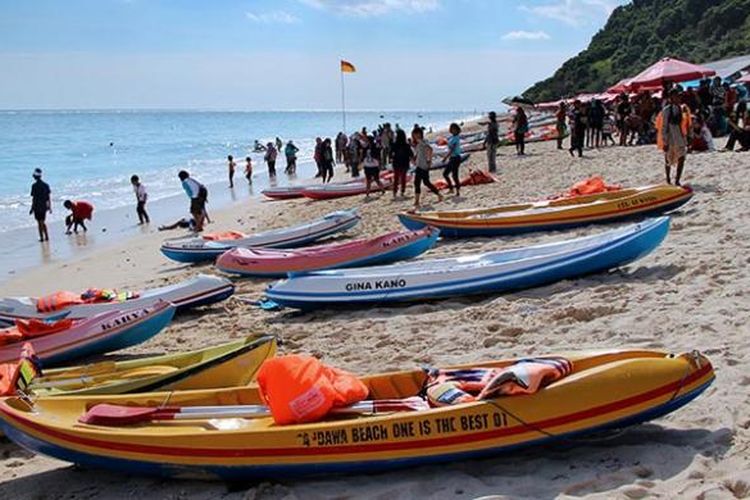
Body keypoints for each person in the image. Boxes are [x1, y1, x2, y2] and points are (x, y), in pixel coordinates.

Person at [659, 89, 690, 185]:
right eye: (675, 96)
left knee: (681, 158)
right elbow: (664, 126)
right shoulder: (667, 110)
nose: (678, 98)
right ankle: (668, 179)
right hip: (671, 137)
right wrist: (665, 141)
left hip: (680, 136)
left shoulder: (681, 109)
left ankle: (677, 180)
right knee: (668, 159)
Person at [412, 127, 442, 208]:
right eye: (414, 134)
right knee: (423, 182)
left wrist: (429, 161)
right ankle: (438, 195)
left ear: (420, 134)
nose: (415, 136)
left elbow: (430, 149)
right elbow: (419, 153)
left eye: (416, 134)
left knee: (421, 183)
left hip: (423, 166)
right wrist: (414, 159)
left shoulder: (423, 142)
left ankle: (417, 201)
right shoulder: (418, 143)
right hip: (419, 165)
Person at [29, 168, 51, 242]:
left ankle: (42, 237)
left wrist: (32, 208)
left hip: (37, 206)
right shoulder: (46, 185)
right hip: (44, 206)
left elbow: (34, 199)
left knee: (39, 222)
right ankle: (47, 236)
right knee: (42, 221)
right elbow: (48, 197)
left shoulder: (34, 186)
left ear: (35, 177)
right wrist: (49, 206)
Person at [442, 123, 463, 196]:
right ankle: (451, 188)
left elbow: (452, 149)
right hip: (452, 158)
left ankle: (457, 191)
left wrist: (445, 157)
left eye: (454, 129)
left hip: (456, 158)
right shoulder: (452, 137)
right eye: (451, 129)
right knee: (445, 174)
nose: (453, 130)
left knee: (454, 175)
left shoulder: (456, 138)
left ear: (457, 130)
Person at [390, 129, 412, 198]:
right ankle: (402, 191)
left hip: (396, 163)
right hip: (405, 163)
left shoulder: (394, 144)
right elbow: (411, 154)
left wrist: (391, 159)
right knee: (403, 178)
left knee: (396, 178)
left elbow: (390, 154)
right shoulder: (406, 145)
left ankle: (395, 192)